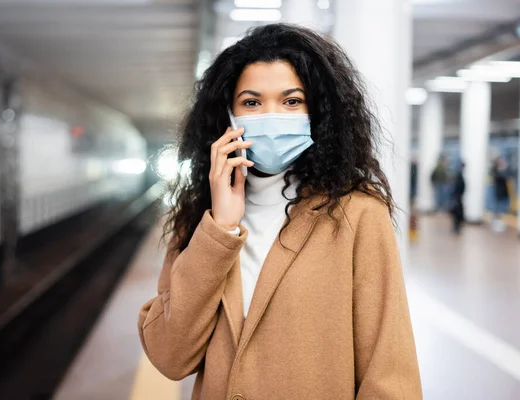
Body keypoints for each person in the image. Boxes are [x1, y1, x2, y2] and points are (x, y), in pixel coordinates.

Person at [138, 24, 422, 399]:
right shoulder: (203, 217)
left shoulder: (357, 214)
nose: (271, 116)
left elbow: (389, 370)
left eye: (291, 101)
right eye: (252, 103)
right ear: (229, 115)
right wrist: (220, 229)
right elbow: (170, 358)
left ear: (316, 112)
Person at [491, 157, 509, 232]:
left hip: (503, 194)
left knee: (502, 209)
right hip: (499, 194)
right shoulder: (497, 172)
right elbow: (502, 178)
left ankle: (498, 224)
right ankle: (497, 225)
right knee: (498, 209)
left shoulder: (501, 172)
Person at [450, 161, 465, 234]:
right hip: (457, 197)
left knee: (458, 213)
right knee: (457, 213)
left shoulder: (459, 175)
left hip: (458, 196)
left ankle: (457, 227)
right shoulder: (458, 175)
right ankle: (456, 227)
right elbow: (457, 187)